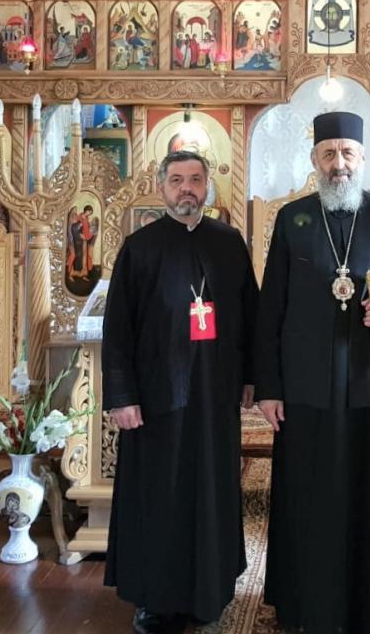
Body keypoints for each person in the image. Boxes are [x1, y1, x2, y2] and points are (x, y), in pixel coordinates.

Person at [255, 112, 370, 634]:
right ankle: (303, 604)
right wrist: (269, 388)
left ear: (363, 157)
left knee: (365, 496)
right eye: (328, 153)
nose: (339, 163)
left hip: (366, 386)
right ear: (314, 160)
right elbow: (270, 307)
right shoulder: (293, 219)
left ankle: (366, 604)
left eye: (347, 152)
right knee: (306, 495)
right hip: (303, 389)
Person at [103, 150, 259, 634]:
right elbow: (118, 330)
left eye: (194, 179)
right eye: (176, 180)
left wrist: (252, 377)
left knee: (210, 494)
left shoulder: (229, 243)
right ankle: (155, 601)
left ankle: (209, 593)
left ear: (208, 186)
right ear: (162, 188)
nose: (186, 188)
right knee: (161, 497)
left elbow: (250, 316)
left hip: (215, 398)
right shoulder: (140, 247)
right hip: (156, 401)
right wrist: (122, 397)